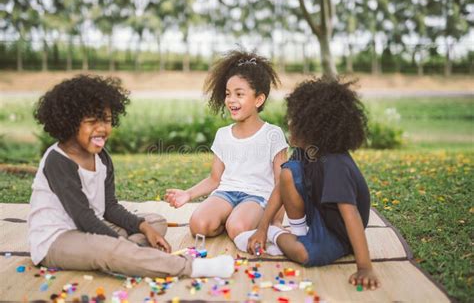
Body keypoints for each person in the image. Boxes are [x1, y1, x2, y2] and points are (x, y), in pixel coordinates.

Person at [28, 75, 234, 278]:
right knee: (111, 248)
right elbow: (83, 218)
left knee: (155, 223)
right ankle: (189, 267)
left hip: (90, 227)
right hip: (57, 239)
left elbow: (109, 207)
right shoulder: (59, 161)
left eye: (107, 121)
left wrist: (144, 228)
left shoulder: (101, 157)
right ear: (69, 123)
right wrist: (120, 242)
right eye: (92, 122)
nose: (101, 128)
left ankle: (129, 255)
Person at [245, 78, 381, 290]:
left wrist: (364, 266)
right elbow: (281, 187)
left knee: (303, 254)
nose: (289, 124)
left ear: (313, 127)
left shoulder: (335, 164)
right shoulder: (306, 150)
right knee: (287, 173)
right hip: (320, 210)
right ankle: (298, 234)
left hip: (339, 231)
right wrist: (260, 229)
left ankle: (278, 233)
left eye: (294, 120)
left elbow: (350, 215)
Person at [165, 50, 288, 251]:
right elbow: (215, 179)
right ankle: (229, 217)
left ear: (258, 100)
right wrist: (188, 194)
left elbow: (281, 183)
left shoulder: (273, 134)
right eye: (228, 94)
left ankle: (236, 220)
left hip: (257, 197)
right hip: (225, 193)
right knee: (198, 225)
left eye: (239, 94)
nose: (231, 100)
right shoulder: (223, 134)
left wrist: (275, 223)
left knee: (237, 227)